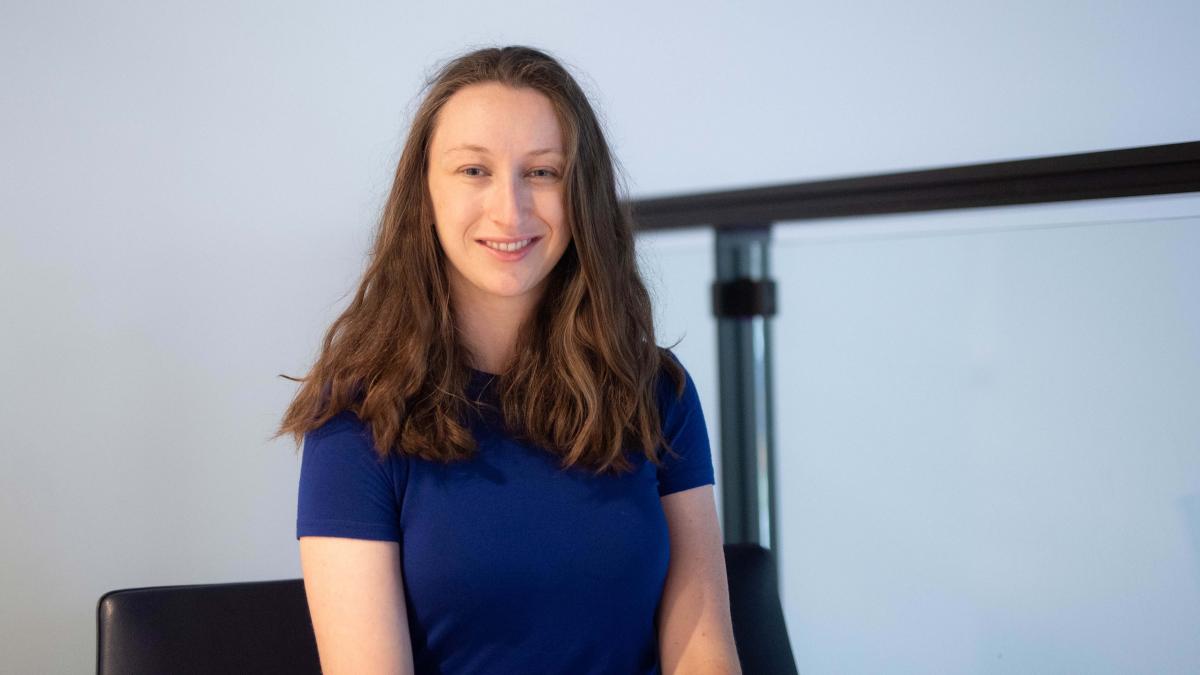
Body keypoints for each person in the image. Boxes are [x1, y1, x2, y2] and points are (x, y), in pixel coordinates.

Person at [275, 45, 741, 675]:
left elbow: (705, 654)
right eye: (474, 171)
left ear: (582, 196)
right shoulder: (357, 419)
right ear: (425, 195)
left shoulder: (654, 391)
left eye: (543, 173)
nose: (510, 210)